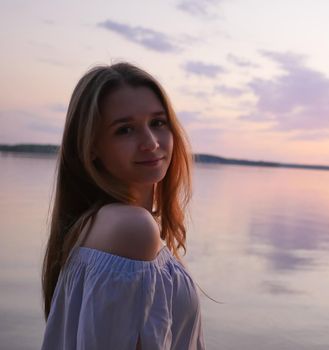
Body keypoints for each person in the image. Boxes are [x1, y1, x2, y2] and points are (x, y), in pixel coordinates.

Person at [40, 62, 205, 349]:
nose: (151, 143)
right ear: (90, 145)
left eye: (157, 123)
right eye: (125, 130)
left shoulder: (98, 224)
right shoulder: (130, 230)